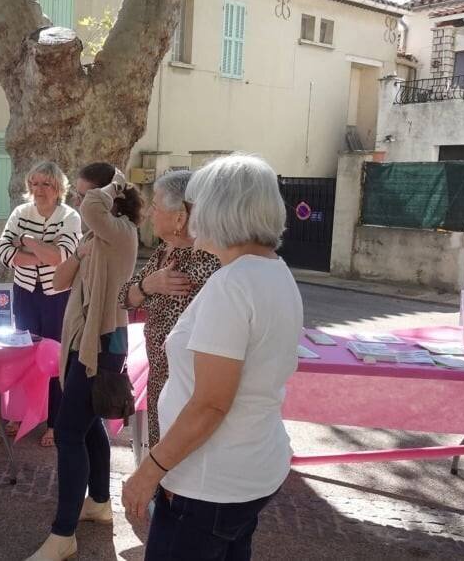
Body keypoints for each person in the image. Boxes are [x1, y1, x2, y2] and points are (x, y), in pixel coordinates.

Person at [121, 154, 303, 560]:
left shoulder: (233, 284)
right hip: (246, 468)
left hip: (210, 481)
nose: (190, 217)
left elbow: (210, 404)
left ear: (218, 210)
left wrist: (150, 470)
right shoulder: (273, 270)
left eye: (194, 205)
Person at [25, 163, 141, 561]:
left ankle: (63, 535)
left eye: (82, 192)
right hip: (82, 343)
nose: (77, 199)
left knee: (70, 433)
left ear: (107, 197)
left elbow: (92, 206)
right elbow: (58, 281)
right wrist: (79, 252)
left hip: (104, 344)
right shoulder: (96, 236)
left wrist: (116, 183)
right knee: (90, 429)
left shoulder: (122, 232)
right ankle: (100, 503)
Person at [119, 170, 221, 447]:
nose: (150, 213)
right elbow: (124, 298)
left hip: (188, 388)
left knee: (178, 460)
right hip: (159, 379)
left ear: (179, 217)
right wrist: (147, 286)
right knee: (159, 456)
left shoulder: (208, 262)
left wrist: (142, 289)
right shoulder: (166, 250)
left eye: (155, 206)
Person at [0, 161, 82, 448]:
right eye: (34, 183)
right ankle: (19, 414)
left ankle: (55, 422)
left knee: (57, 359)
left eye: (45, 183)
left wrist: (27, 240)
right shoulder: (21, 212)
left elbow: (61, 256)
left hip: (58, 295)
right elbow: (4, 251)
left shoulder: (69, 217)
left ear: (58, 188)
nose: (38, 189)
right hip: (25, 294)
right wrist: (39, 253)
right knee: (25, 355)